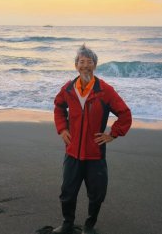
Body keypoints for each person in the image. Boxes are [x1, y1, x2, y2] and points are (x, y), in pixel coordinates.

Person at [52, 44, 132, 234]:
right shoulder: (69, 89)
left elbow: (125, 114)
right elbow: (58, 107)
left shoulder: (105, 90)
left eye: (89, 62)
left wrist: (112, 134)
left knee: (97, 194)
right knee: (67, 193)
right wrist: (62, 129)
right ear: (75, 65)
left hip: (95, 153)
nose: (85, 65)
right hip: (72, 152)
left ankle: (89, 226)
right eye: (82, 62)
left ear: (95, 65)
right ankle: (67, 224)